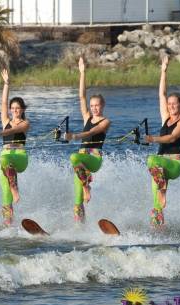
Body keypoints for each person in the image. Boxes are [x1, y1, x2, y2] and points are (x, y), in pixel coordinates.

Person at [145, 56, 180, 229]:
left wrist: (154, 139)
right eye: (169, 104)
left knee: (151, 160)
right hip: (159, 168)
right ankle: (158, 227)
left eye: (174, 104)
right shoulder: (166, 118)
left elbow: (172, 138)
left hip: (174, 164)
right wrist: (163, 70)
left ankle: (163, 190)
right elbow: (161, 94)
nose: (171, 106)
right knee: (156, 202)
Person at [65, 57, 111, 223]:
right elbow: (82, 96)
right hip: (81, 164)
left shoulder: (105, 121)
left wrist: (76, 136)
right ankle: (80, 226)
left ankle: (86, 185)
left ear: (103, 105)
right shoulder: (87, 117)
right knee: (77, 200)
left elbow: (93, 131)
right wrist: (82, 72)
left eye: (97, 105)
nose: (94, 108)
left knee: (74, 157)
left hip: (94, 159)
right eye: (92, 106)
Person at [0, 69, 30, 226]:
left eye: (18, 108)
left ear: (22, 110)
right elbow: (3, 102)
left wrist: (0, 133)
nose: (15, 110)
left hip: (20, 158)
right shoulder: (5, 119)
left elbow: (14, 131)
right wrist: (6, 83)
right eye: (13, 108)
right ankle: (8, 222)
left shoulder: (25, 123)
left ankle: (15, 188)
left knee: (5, 158)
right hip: (5, 159)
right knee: (5, 193)